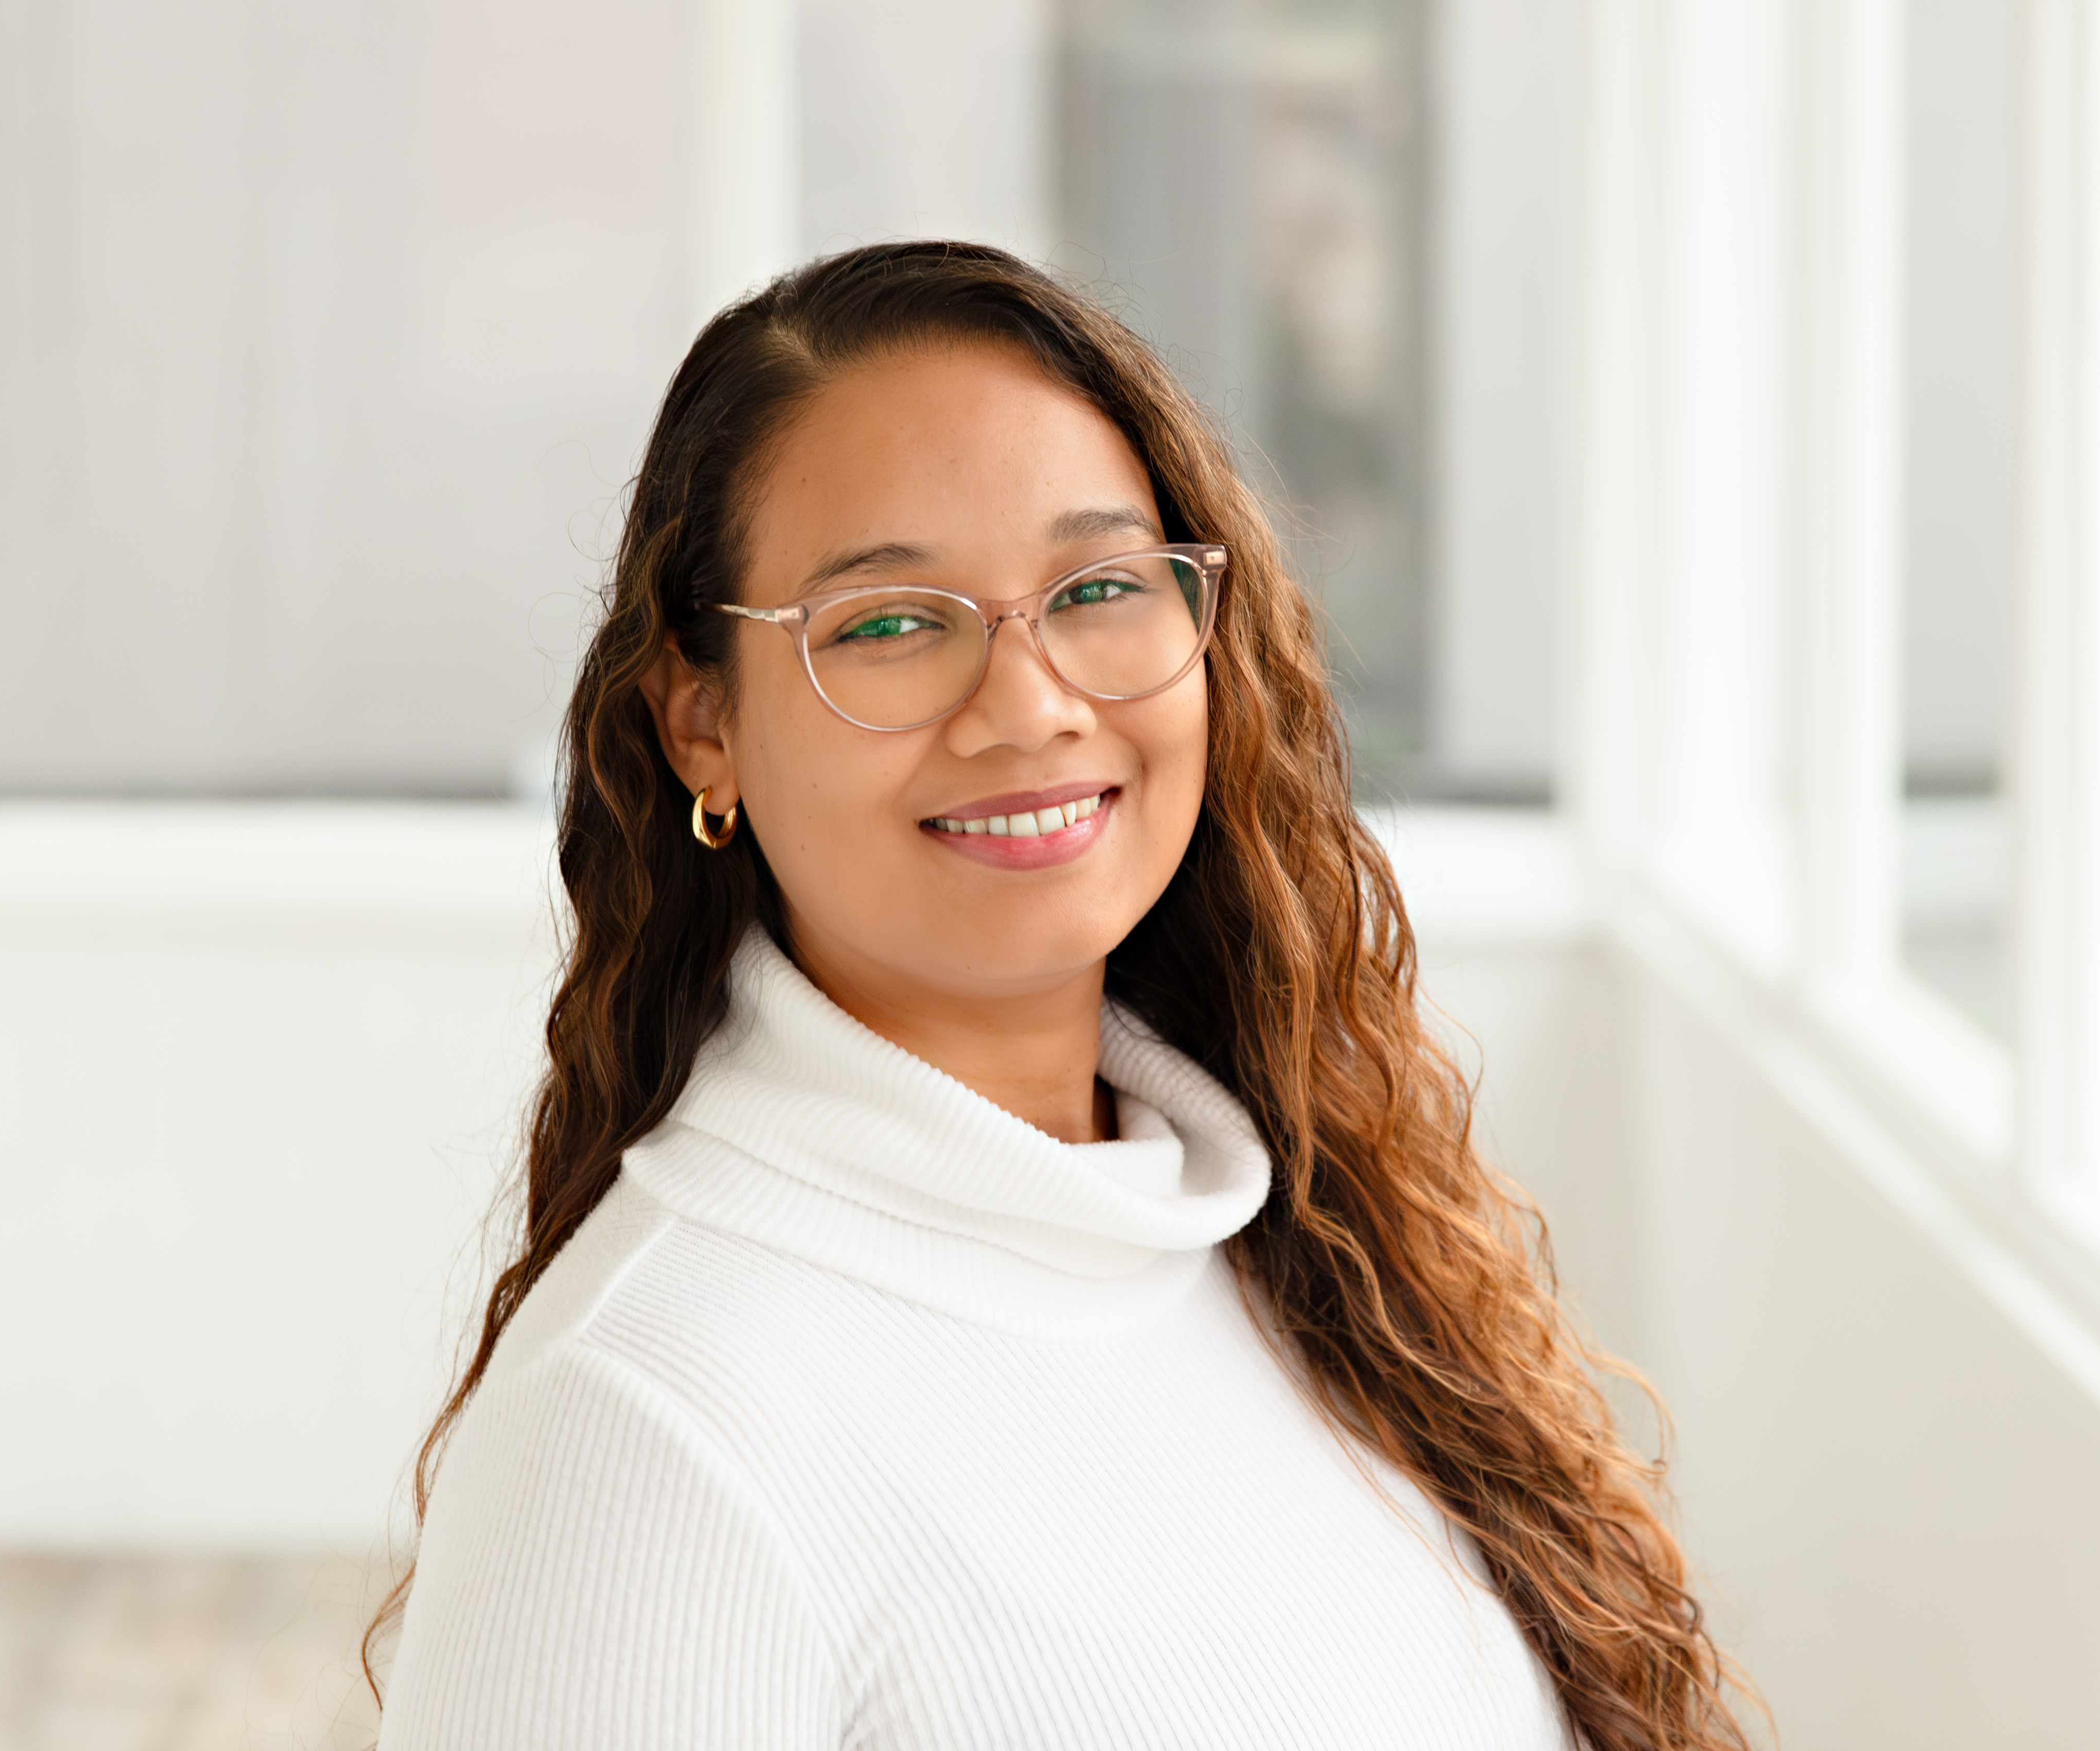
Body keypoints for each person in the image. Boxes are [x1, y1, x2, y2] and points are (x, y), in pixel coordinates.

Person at [370, 241, 1752, 1749]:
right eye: (890, 624)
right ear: (702, 721)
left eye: (1098, 588)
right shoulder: (646, 1427)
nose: (1028, 705)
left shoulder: (1294, 1240)